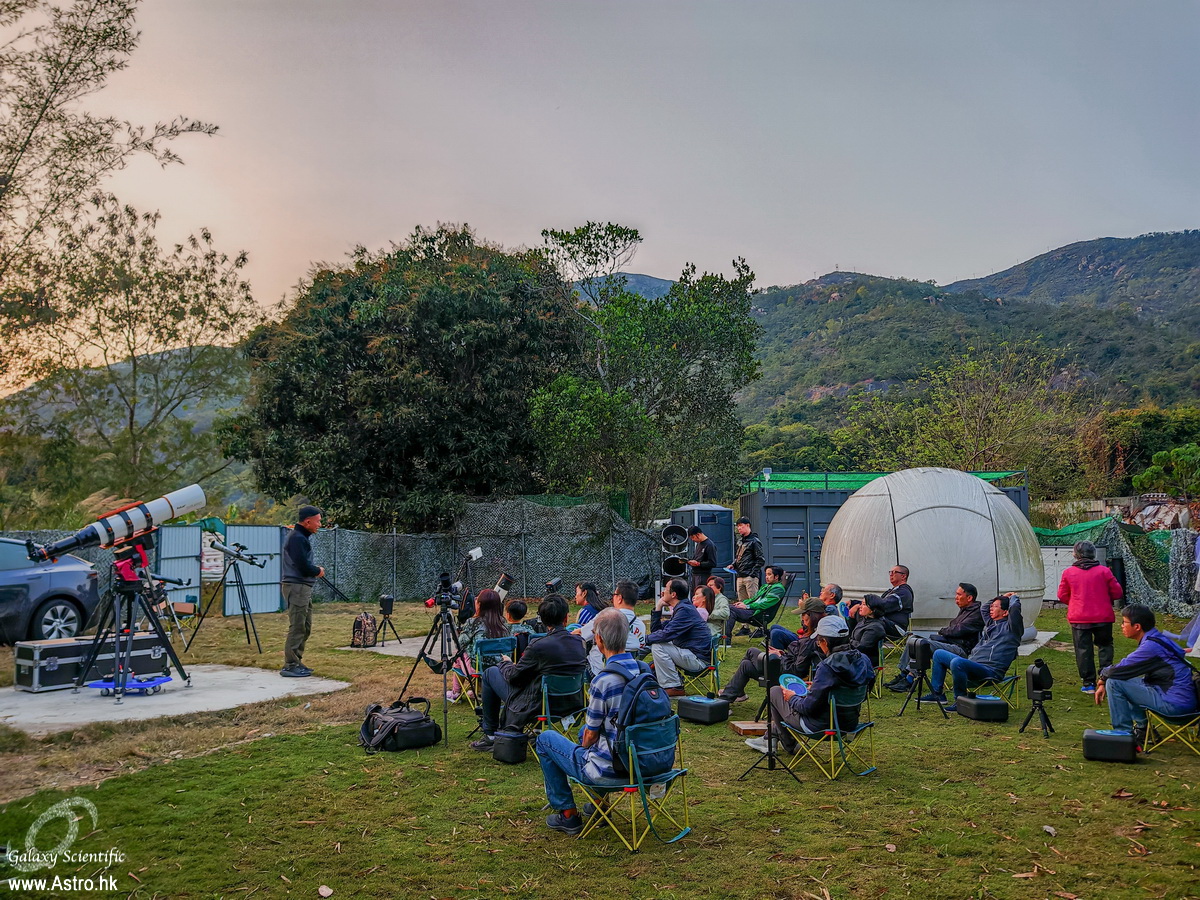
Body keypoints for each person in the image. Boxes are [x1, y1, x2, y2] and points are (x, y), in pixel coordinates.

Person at [536, 608, 645, 835]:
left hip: (611, 771)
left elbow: (591, 736)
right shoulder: (644, 673)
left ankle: (568, 815)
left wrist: (581, 750)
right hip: (642, 763)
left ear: (599, 639)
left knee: (546, 739)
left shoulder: (604, 681)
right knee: (584, 733)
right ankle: (598, 806)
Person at [470, 594, 587, 751]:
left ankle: (490, 734)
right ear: (566, 617)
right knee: (537, 680)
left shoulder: (538, 646)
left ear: (543, 620)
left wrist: (506, 663)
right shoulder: (580, 643)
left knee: (491, 673)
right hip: (571, 704)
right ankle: (536, 731)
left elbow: (514, 677)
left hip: (539, 706)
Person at [747, 616, 875, 754]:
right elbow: (863, 693)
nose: (818, 645)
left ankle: (788, 744)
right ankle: (772, 737)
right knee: (791, 695)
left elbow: (807, 708)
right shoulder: (864, 660)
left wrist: (792, 697)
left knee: (774, 692)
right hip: (850, 723)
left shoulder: (827, 668)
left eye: (819, 641)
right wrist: (817, 688)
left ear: (825, 642)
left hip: (820, 726)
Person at [1096, 604, 1199, 744]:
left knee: (1114, 683)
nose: (1121, 626)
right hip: (1185, 701)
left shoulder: (1151, 647)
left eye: (1124, 622)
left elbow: (1118, 669)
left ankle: (1123, 737)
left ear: (1137, 626)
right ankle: (1143, 731)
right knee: (1127, 680)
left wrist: (1102, 679)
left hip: (1175, 707)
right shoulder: (1158, 638)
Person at [922, 594, 1024, 712]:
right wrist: (1001, 596)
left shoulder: (1012, 629)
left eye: (995, 606)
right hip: (974, 666)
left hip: (990, 671)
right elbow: (984, 608)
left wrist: (1014, 597)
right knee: (939, 654)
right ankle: (937, 694)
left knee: (957, 662)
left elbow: (1015, 609)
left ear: (1006, 612)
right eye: (992, 606)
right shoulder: (991, 625)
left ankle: (960, 701)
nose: (991, 608)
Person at [717, 596, 827, 703]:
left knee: (751, 651)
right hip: (784, 668)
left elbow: (796, 671)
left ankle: (727, 699)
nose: (801, 618)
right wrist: (782, 653)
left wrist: (780, 657)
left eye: (803, 614)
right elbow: (797, 660)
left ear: (811, 616)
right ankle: (727, 699)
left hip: (787, 677)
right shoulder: (817, 634)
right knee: (746, 665)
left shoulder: (810, 641)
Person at [885, 583, 984, 692]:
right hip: (950, 644)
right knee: (913, 640)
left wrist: (942, 631)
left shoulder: (976, 614)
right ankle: (903, 674)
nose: (956, 597)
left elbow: (957, 630)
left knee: (923, 645)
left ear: (969, 598)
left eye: (959, 594)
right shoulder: (966, 610)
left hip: (961, 650)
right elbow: (953, 629)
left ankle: (909, 680)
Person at [1058, 540, 1123, 693]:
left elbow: (1062, 595)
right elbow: (1117, 592)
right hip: (1103, 616)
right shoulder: (1104, 571)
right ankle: (1105, 679)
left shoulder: (1068, 573)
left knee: (1083, 650)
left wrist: (1075, 603)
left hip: (1079, 617)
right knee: (1105, 647)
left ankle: (1088, 683)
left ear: (1076, 555)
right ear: (1093, 554)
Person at [645, 577, 712, 697]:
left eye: (666, 589)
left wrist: (644, 640)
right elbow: (657, 632)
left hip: (698, 660)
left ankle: (674, 687)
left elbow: (665, 635)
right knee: (656, 642)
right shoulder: (683, 608)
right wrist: (658, 607)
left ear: (673, 594)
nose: (663, 592)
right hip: (691, 653)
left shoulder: (685, 610)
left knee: (658, 646)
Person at [280, 504, 324, 678]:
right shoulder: (297, 538)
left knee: (305, 626)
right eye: (318, 521)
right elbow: (302, 566)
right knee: (297, 625)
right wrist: (317, 570)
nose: (320, 524)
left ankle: (297, 661)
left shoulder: (300, 537)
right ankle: (290, 665)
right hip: (296, 586)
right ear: (307, 522)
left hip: (302, 587)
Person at [448, 589, 511, 702]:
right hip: (501, 667)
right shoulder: (503, 622)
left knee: (458, 655)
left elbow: (460, 644)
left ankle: (456, 692)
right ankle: (479, 691)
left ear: (480, 604)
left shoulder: (473, 622)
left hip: (478, 669)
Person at [580, 580, 647, 676]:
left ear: (619, 598)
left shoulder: (606, 616)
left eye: (614, 594)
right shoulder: (641, 626)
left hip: (600, 671)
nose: (612, 598)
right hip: (630, 672)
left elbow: (582, 635)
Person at [724, 565, 786, 642]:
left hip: (759, 613)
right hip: (753, 609)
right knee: (728, 609)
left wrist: (747, 606)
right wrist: (743, 603)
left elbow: (764, 603)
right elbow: (754, 599)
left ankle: (725, 639)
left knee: (729, 609)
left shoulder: (778, 589)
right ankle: (724, 639)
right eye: (766, 574)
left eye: (769, 574)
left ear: (776, 577)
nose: (766, 577)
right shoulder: (766, 586)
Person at [770, 583, 841, 650]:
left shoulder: (829, 610)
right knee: (774, 627)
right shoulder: (826, 608)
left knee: (776, 633)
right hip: (807, 638)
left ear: (832, 595)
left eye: (823, 591)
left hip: (809, 643)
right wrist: (806, 604)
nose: (821, 592)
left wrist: (803, 606)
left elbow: (808, 626)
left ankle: (776, 657)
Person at [849, 565, 914, 638]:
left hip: (896, 627)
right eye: (890, 572)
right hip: (885, 622)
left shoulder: (904, 592)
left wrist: (858, 606)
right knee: (852, 609)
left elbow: (882, 605)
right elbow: (876, 603)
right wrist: (853, 603)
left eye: (894, 572)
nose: (891, 574)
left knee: (862, 613)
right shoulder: (892, 590)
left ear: (903, 576)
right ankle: (853, 640)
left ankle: (856, 640)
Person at [730, 516, 765, 601]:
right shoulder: (740, 541)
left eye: (741, 526)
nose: (739, 528)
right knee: (742, 602)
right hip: (739, 575)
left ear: (747, 525)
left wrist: (752, 574)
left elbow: (760, 559)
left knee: (753, 601)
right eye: (738, 526)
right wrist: (733, 564)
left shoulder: (755, 541)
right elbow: (738, 557)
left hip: (750, 577)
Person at [849, 594, 888, 667]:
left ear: (872, 610)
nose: (860, 606)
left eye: (864, 604)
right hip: (854, 655)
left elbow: (862, 647)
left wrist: (849, 641)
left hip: (864, 661)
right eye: (861, 604)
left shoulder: (875, 628)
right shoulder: (863, 621)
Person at [686, 526, 718, 591]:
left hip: (703, 575)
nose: (692, 540)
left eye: (693, 537)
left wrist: (698, 564)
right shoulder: (699, 544)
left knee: (700, 593)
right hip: (695, 574)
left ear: (698, 534)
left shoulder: (709, 545)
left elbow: (713, 563)